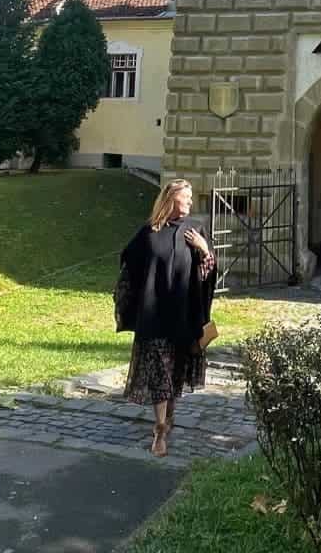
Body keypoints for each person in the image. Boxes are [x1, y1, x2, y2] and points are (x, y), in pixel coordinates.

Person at [115, 179, 216, 456]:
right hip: (154, 315)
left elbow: (208, 273)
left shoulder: (195, 230)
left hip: (183, 316)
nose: (191, 202)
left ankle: (168, 417)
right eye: (187, 198)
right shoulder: (148, 233)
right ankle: (159, 430)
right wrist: (131, 302)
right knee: (161, 372)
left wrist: (204, 249)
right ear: (172, 200)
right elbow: (128, 265)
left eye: (191, 198)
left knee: (175, 372)